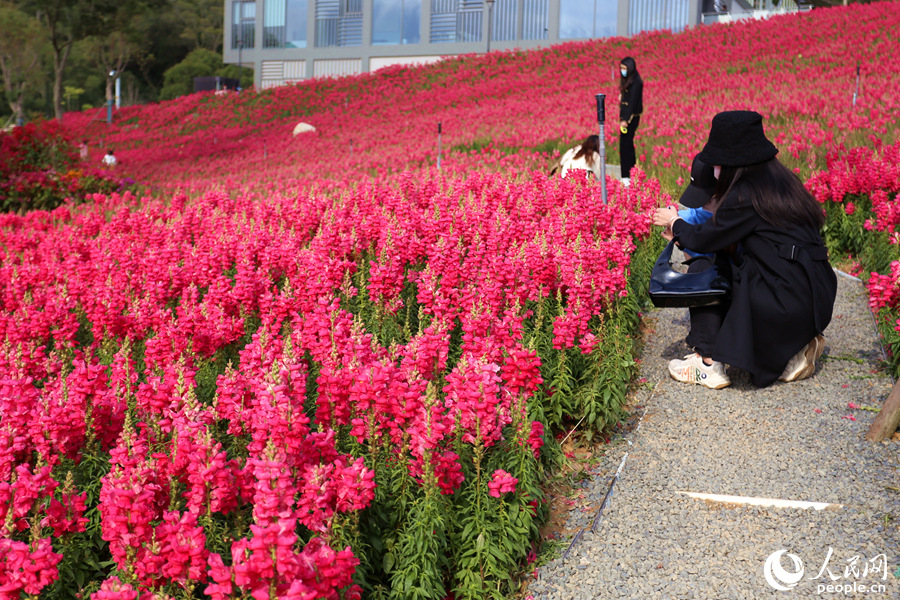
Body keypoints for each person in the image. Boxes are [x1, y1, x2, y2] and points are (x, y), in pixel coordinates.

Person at [653, 110, 837, 388]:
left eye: (717, 163)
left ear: (731, 163)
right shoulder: (781, 181)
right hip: (814, 296)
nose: (715, 170)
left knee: (706, 266)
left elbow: (703, 240)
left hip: (786, 302)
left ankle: (708, 364)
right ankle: (795, 350)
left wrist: (676, 223)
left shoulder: (744, 195)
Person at [661, 153, 731, 387]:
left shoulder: (736, 215)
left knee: (701, 270)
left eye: (707, 198)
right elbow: (694, 221)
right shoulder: (740, 202)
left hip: (760, 297)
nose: (702, 204)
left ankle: (708, 364)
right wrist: (676, 225)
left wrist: (682, 237)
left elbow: (708, 245)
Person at [618, 56, 643, 185]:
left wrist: (625, 120)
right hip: (626, 118)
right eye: (621, 68)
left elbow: (632, 103)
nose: (622, 71)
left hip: (631, 118)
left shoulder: (636, 82)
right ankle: (631, 174)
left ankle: (627, 175)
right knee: (626, 145)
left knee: (625, 145)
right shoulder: (629, 80)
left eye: (624, 68)